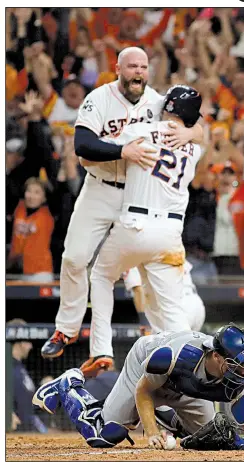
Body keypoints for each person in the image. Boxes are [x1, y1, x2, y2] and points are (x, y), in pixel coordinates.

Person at [41, 47, 203, 375]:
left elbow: (196, 123)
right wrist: (123, 150)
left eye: (143, 66)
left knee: (118, 275)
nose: (138, 72)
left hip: (135, 194)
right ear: (118, 68)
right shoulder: (99, 98)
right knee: (74, 258)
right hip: (101, 189)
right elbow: (83, 145)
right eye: (132, 66)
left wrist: (190, 130)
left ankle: (160, 351)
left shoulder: (157, 101)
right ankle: (66, 330)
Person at [79, 84, 203, 376]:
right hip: (170, 236)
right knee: (170, 321)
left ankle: (101, 350)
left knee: (100, 275)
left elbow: (88, 154)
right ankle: (196, 380)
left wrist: (119, 151)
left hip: (136, 226)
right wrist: (192, 131)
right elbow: (199, 130)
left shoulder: (141, 131)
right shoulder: (195, 148)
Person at [33, 323, 244, 451]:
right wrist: (152, 433)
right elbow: (143, 391)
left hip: (186, 387)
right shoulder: (172, 357)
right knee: (104, 435)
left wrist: (241, 441)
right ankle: (68, 384)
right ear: (216, 356)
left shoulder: (239, 377)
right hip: (146, 368)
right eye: (238, 365)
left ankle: (167, 416)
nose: (243, 373)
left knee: (204, 439)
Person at [123, 260, 206, 334]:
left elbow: (138, 289)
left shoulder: (134, 253)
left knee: (168, 347)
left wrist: (144, 323)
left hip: (177, 308)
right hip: (196, 304)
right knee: (191, 347)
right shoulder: (166, 246)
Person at [7, 177, 54, 282]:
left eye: (37, 192)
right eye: (29, 191)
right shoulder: (19, 209)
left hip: (41, 272)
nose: (31, 196)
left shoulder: (48, 213)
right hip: (18, 272)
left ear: (44, 198)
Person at [7, 319, 48, 433]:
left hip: (29, 432)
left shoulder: (20, 368)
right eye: (28, 341)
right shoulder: (5, 364)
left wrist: (43, 387)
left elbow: (26, 403)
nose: (30, 346)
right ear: (20, 341)